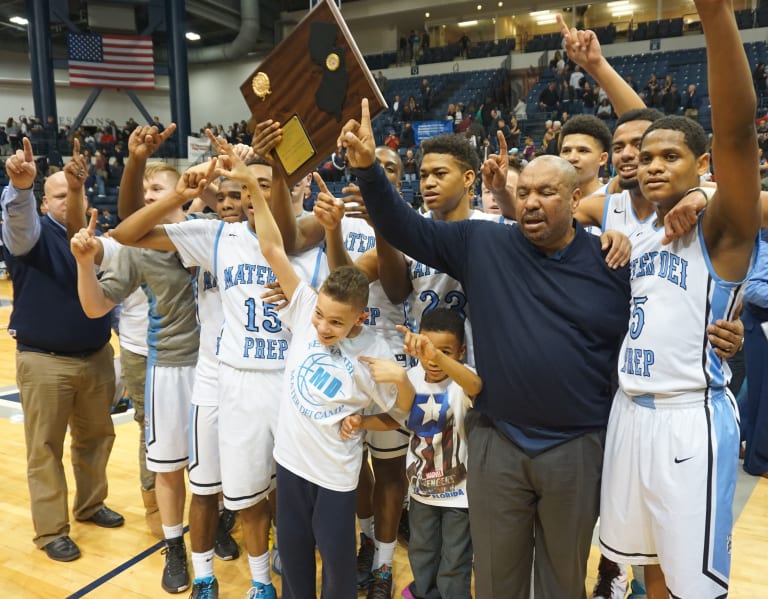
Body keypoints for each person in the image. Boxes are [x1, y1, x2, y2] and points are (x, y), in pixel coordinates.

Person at [343, 98, 632, 598]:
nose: (533, 202)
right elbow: (405, 227)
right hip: (499, 440)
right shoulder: (485, 243)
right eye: (525, 193)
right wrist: (370, 171)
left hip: (576, 445)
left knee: (564, 580)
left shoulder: (610, 260)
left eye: (547, 192)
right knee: (497, 578)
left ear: (576, 198)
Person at [564, 2, 760, 596]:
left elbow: (736, 132)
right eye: (643, 158)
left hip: (687, 414)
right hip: (629, 412)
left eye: (668, 157)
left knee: (691, 583)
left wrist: (714, 14)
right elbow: (646, 127)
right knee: (645, 563)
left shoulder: (719, 227)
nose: (650, 165)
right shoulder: (639, 228)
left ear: (702, 168)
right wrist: (597, 69)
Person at [216, 137, 413, 599]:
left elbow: (404, 413)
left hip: (336, 478)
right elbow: (272, 249)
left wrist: (394, 390)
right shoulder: (306, 307)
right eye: (321, 316)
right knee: (296, 561)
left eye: (335, 322)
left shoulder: (373, 351)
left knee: (338, 568)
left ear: (359, 320)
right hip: (290, 466)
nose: (322, 327)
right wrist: (252, 185)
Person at [2, 138, 123, 562]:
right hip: (45, 362)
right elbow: (17, 222)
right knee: (45, 448)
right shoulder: (29, 238)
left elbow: (115, 295)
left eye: (73, 190)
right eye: (57, 194)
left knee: (96, 439)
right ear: (43, 203)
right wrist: (19, 189)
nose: (67, 199)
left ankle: (91, 505)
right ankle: (51, 530)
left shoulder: (95, 238)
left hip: (96, 357)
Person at [343, 309, 481, 599]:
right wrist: (362, 421)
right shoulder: (411, 378)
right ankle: (425, 591)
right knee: (422, 549)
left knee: (455, 556)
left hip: (459, 493)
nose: (433, 359)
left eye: (443, 351)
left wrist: (442, 358)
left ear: (461, 351)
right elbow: (396, 418)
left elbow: (476, 387)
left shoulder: (463, 378)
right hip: (420, 491)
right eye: (427, 350)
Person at [741, 231, 768, 478]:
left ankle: (737, 437)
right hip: (759, 324)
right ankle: (759, 461)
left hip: (758, 323)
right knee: (763, 394)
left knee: (755, 394)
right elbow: (754, 291)